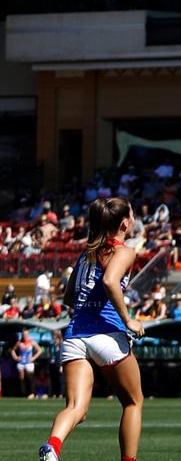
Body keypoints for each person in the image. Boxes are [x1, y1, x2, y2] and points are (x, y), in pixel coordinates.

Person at [39, 197, 146, 461]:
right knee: (133, 402)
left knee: (76, 408)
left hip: (75, 336)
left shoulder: (85, 252)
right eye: (132, 216)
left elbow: (68, 297)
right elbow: (110, 281)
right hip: (108, 334)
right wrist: (128, 319)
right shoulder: (125, 251)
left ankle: (52, 448)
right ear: (124, 223)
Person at [12, 330, 43, 398]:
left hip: (29, 362)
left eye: (26, 334)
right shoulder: (19, 342)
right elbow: (13, 350)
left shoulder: (32, 342)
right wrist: (16, 357)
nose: (25, 336)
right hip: (21, 362)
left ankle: (32, 393)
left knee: (30, 378)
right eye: (23, 334)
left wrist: (34, 357)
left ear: (28, 335)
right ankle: (23, 393)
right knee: (22, 378)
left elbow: (40, 350)